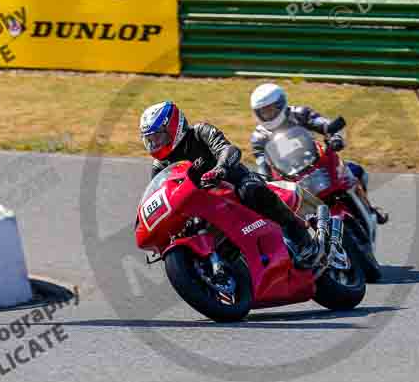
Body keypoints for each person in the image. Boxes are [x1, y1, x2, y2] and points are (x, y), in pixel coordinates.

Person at [140, 101, 320, 268]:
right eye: (150, 140)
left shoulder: (200, 132)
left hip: (232, 182)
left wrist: (220, 169)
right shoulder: (159, 167)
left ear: (173, 127)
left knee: (251, 190)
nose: (154, 144)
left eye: (158, 137)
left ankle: (302, 240)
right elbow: (161, 195)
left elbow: (227, 149)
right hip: (201, 205)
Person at [248, 83, 388, 224]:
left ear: (281, 105)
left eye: (271, 109)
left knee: (357, 171)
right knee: (281, 213)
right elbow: (262, 162)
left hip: (317, 162)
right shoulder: (259, 137)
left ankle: (369, 208)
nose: (268, 114)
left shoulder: (299, 114)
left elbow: (323, 123)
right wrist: (264, 179)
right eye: (263, 112)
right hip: (289, 176)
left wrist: (335, 137)